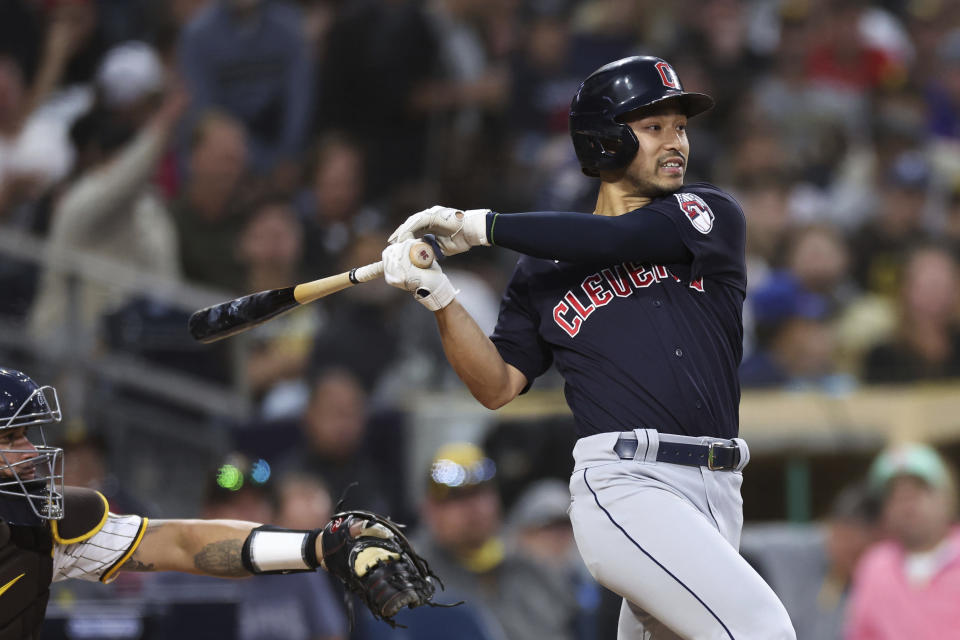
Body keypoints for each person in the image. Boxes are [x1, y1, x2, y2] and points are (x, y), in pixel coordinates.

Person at [381, 56, 795, 638]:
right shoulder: (541, 269)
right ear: (603, 142)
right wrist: (439, 294)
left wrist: (482, 225)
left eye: (680, 126)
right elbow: (496, 384)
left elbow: (618, 237)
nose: (676, 142)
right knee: (762, 631)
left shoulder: (706, 213)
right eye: (654, 128)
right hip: (627, 485)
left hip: (720, 486)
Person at [0, 367, 435, 638]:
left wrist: (316, 547)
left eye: (25, 436)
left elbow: (182, 542)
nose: (30, 454)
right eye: (9, 439)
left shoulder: (48, 529)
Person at [845, 443, 960, 640]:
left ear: (947, 497)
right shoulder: (874, 566)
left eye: (919, 489)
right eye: (894, 494)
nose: (906, 501)